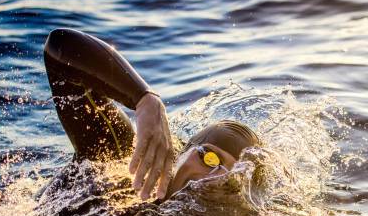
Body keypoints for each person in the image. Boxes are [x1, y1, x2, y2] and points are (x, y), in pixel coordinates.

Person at [44, 28, 259, 201]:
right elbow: (60, 45)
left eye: (231, 178)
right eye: (211, 159)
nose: (215, 178)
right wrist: (144, 98)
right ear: (183, 150)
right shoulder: (116, 160)